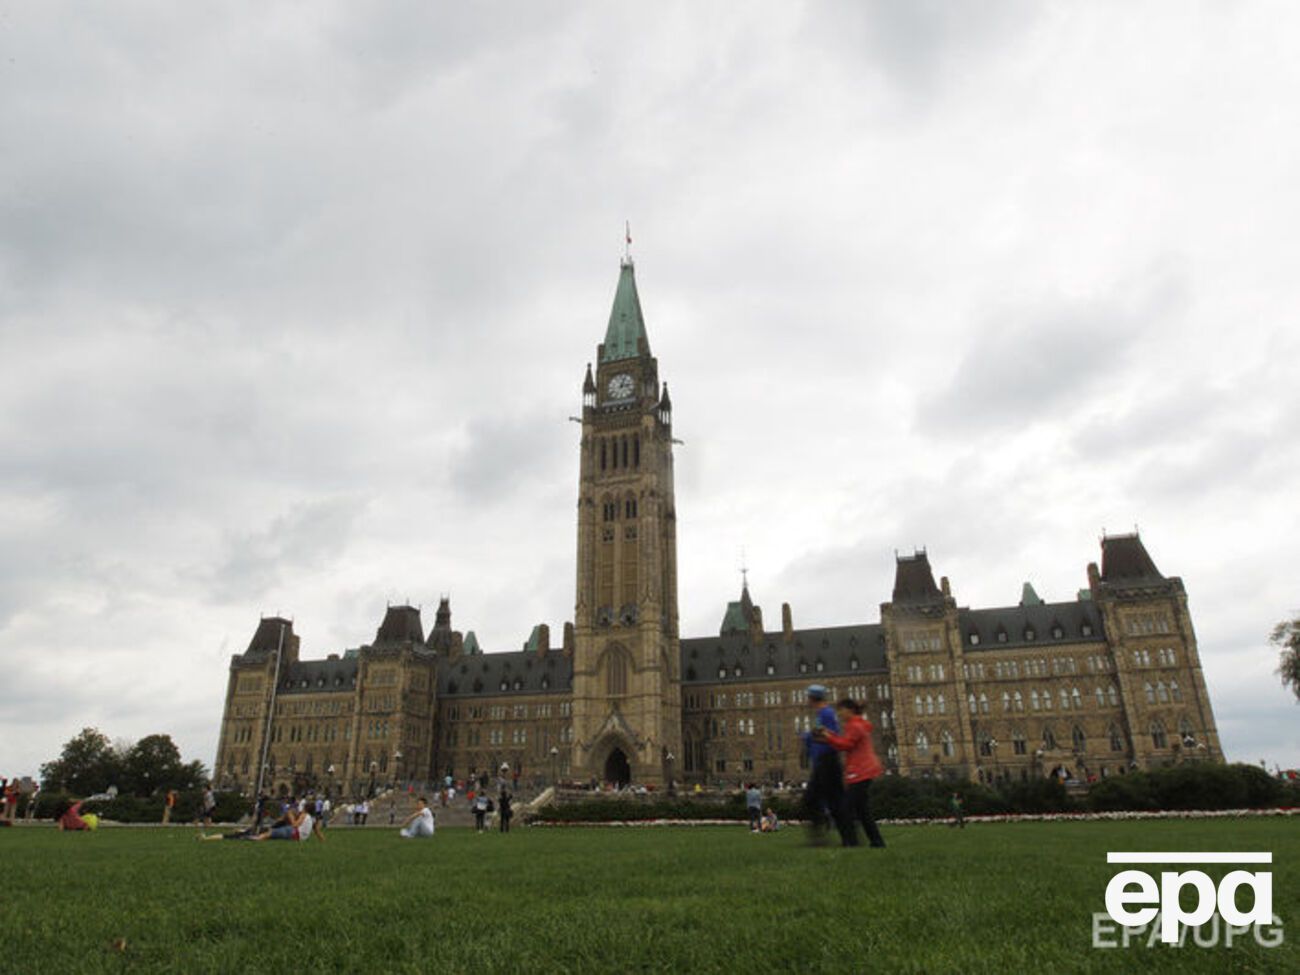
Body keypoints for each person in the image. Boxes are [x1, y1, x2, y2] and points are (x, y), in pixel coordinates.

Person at [815, 698, 886, 848]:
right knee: (862, 810)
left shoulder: (854, 726)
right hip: (865, 770)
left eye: (841, 710)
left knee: (846, 808)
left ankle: (851, 842)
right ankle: (877, 842)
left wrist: (828, 737)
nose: (839, 714)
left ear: (849, 710)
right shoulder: (857, 724)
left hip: (861, 771)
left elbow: (845, 745)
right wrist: (829, 737)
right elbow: (845, 742)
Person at [800, 684, 850, 846]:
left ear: (814, 698)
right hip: (823, 761)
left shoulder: (827, 713)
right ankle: (844, 838)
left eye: (808, 697)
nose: (807, 700)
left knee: (820, 800)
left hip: (827, 760)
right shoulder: (821, 714)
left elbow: (832, 735)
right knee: (829, 801)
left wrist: (811, 736)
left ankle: (827, 838)